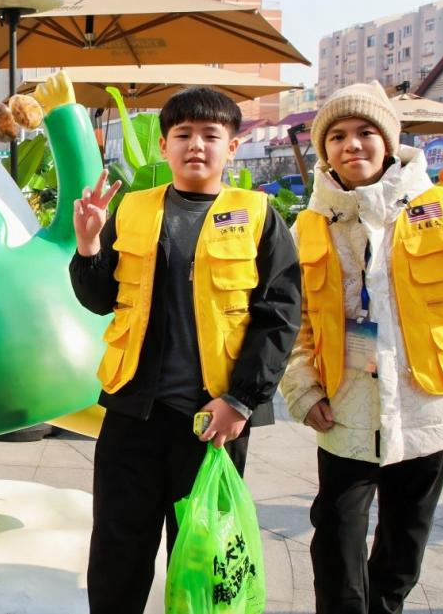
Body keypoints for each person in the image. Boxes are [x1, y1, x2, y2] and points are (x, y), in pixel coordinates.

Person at [279, 82, 443, 614]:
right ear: (325, 150)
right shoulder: (309, 225)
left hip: (429, 407)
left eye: (365, 132)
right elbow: (296, 320)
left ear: (389, 141)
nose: (352, 144)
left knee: (402, 546)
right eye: (337, 136)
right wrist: (302, 390)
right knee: (336, 535)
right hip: (347, 409)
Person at [70, 87, 302, 612]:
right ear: (164, 145)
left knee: (203, 553)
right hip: (133, 411)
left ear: (232, 146)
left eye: (210, 135)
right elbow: (99, 300)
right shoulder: (133, 210)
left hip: (213, 418)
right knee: (117, 549)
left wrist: (241, 400)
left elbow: (280, 316)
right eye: (183, 134)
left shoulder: (258, 215)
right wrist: (88, 245)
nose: (196, 145)